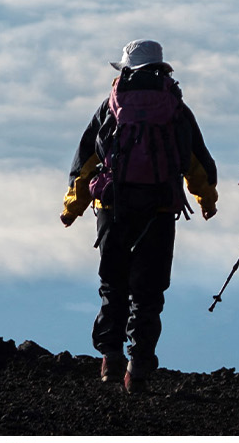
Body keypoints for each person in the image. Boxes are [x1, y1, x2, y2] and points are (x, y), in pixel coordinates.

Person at [61, 39, 218, 393]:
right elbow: (195, 160)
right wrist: (206, 200)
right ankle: (139, 369)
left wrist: (73, 207)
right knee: (148, 292)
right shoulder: (176, 109)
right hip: (160, 208)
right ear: (162, 69)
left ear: (126, 70)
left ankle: (110, 360)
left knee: (112, 284)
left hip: (112, 207)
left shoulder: (111, 107)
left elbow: (86, 160)